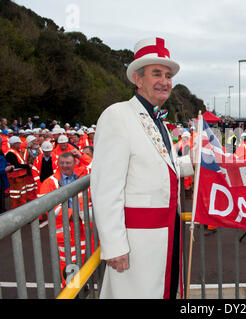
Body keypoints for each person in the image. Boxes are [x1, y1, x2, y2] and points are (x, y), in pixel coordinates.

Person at [91, 36, 194, 299]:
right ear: (138, 80)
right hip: (137, 243)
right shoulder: (117, 115)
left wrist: (191, 163)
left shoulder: (157, 120)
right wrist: (113, 245)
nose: (165, 81)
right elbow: (105, 187)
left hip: (165, 235)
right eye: (156, 73)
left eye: (168, 75)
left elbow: (159, 166)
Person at [39, 152, 90, 285]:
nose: (65, 166)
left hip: (82, 228)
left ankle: (79, 286)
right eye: (62, 163)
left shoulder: (80, 176)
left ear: (74, 164)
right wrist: (72, 214)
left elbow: (92, 165)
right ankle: (70, 290)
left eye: (68, 163)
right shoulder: (49, 182)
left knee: (82, 259)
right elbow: (46, 206)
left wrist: (80, 154)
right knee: (68, 264)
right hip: (64, 231)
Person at [4, 136, 34, 209]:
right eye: (18, 143)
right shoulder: (10, 153)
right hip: (15, 179)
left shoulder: (17, 152)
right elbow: (16, 164)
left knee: (22, 195)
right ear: (14, 144)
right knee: (15, 197)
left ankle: (22, 211)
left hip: (21, 177)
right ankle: (15, 213)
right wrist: (27, 166)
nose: (20, 144)